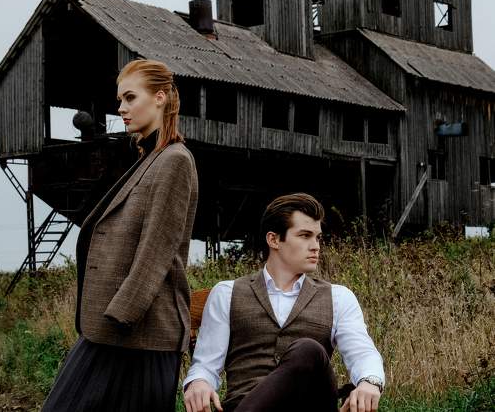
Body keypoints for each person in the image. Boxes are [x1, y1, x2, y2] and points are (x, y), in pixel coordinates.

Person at [42, 59, 199, 411]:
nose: (121, 109)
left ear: (159, 98)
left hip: (139, 333)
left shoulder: (174, 160)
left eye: (130, 98)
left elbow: (158, 247)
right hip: (115, 330)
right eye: (120, 100)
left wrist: (121, 314)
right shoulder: (150, 159)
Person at [184, 193, 384, 412]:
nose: (315, 246)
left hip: (310, 407)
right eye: (305, 236)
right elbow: (205, 364)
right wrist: (198, 382)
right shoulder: (227, 293)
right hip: (243, 403)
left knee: (308, 350)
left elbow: (362, 352)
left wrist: (370, 381)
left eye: (318, 237)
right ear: (274, 240)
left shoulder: (339, 297)